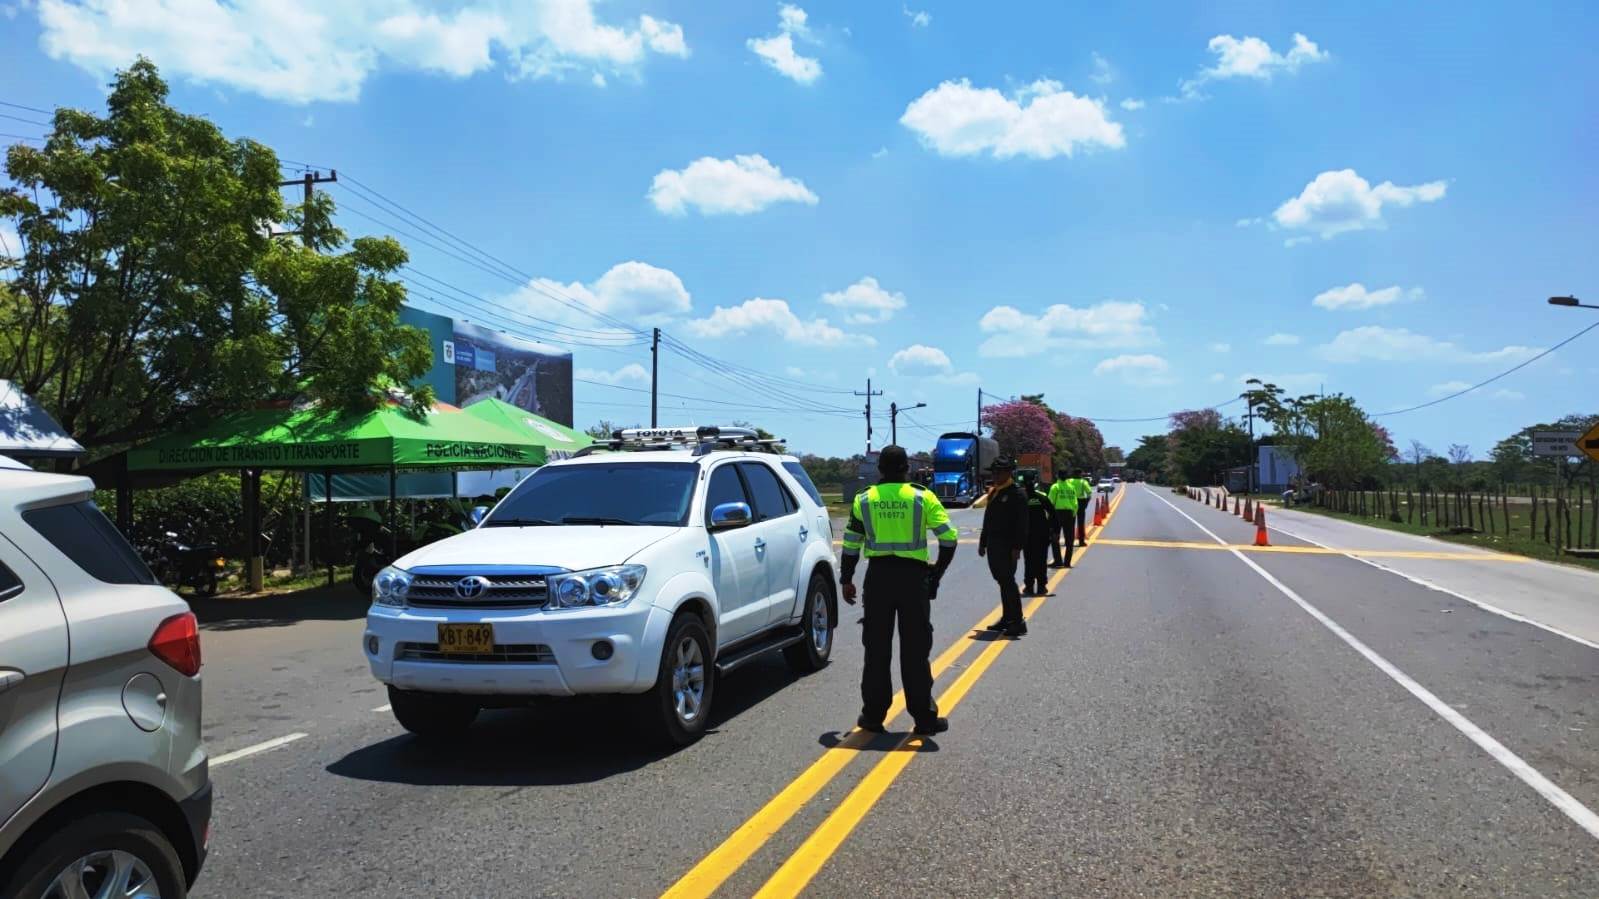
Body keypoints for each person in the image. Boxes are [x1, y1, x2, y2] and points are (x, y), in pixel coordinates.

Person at [839, 445, 958, 736]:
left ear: (879, 469)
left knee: (876, 650)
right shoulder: (922, 496)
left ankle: (873, 717)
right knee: (916, 650)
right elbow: (949, 539)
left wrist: (847, 578)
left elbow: (852, 543)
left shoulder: (864, 499)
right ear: (907, 469)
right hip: (912, 579)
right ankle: (924, 718)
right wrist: (936, 574)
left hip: (878, 579)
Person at [978, 457, 1029, 638]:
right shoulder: (995, 492)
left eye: (998, 472)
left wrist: (1017, 547)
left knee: (1008, 582)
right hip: (994, 543)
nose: (995, 475)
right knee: (1002, 581)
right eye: (994, 472)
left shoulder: (1017, 494)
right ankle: (1007, 618)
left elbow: (1022, 524)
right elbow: (988, 519)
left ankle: (1017, 621)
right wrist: (983, 542)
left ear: (1008, 473)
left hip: (1007, 545)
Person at [1020, 471, 1053, 595]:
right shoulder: (1041, 497)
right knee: (1041, 560)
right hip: (1042, 534)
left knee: (1029, 561)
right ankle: (1041, 587)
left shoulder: (1021, 498)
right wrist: (1052, 530)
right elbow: (1053, 514)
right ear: (1035, 482)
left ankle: (1029, 587)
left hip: (1027, 535)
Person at [1047, 472, 1080, 568]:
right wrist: (1073, 514)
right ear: (1066, 477)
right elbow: (1075, 503)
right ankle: (1067, 562)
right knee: (1069, 539)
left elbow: (1050, 502)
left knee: (1054, 538)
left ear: (1057, 476)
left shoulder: (1055, 487)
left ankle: (1058, 561)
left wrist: (1049, 516)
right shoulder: (1071, 487)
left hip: (1057, 514)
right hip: (1070, 513)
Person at [1072, 468, 1093, 547]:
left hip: (1071, 503)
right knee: (1081, 523)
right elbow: (1089, 493)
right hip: (1081, 502)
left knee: (1071, 523)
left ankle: (1070, 540)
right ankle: (1081, 541)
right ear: (1080, 474)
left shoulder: (1069, 481)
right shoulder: (1083, 482)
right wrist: (1086, 503)